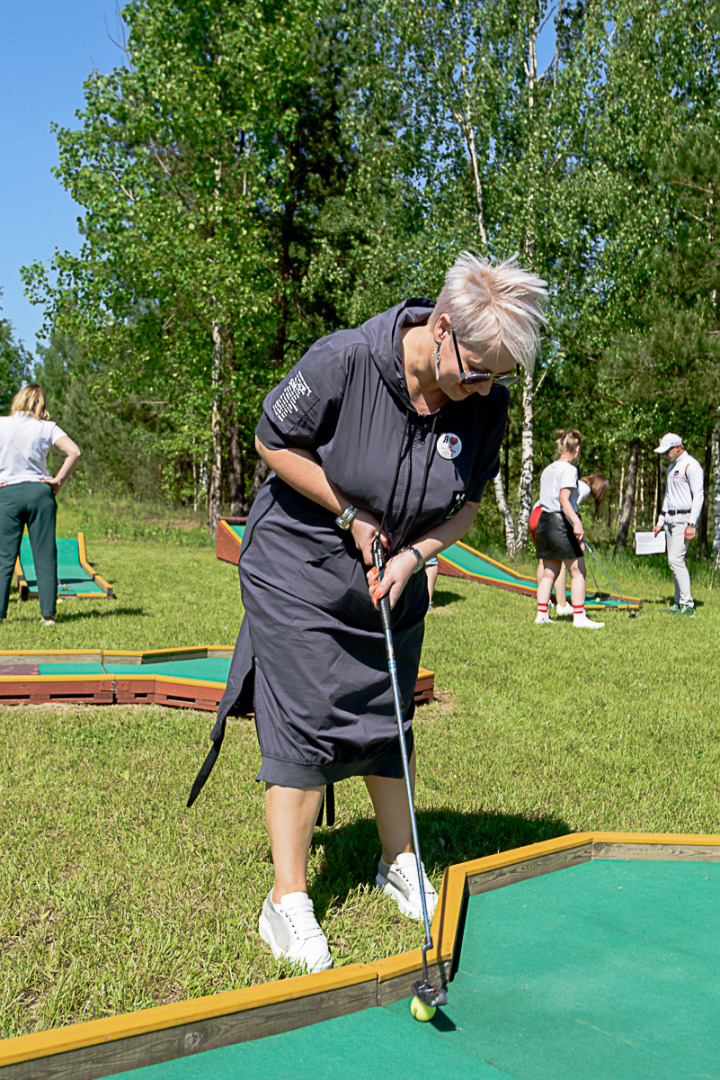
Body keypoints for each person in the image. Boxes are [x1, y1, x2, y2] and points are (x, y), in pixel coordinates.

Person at [189, 252, 548, 972]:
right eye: (476, 369)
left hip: (391, 571)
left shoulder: (485, 404)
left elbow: (471, 501)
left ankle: (399, 861)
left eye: (499, 377)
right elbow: (271, 441)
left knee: (390, 715)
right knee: (304, 715)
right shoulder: (346, 360)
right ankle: (287, 901)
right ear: (440, 329)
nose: (483, 389)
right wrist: (349, 510)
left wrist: (417, 556)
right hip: (299, 561)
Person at [0, 385, 81, 626]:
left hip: (8, 494)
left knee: (4, 557)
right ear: (40, 404)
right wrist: (57, 481)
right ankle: (48, 616)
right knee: (44, 555)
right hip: (40, 493)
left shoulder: (1, 424)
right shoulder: (47, 427)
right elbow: (74, 451)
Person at [533, 430, 604, 629]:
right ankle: (579, 617)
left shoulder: (548, 469)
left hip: (544, 521)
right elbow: (563, 500)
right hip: (560, 522)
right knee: (578, 572)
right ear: (577, 449)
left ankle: (542, 614)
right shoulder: (570, 470)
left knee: (549, 572)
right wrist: (577, 521)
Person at [531, 473, 609, 615]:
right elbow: (568, 509)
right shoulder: (584, 489)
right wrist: (578, 538)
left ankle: (545, 600)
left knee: (545, 560)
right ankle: (561, 604)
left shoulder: (576, 483)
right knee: (559, 559)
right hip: (551, 517)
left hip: (537, 515)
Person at [652, 433, 704, 616]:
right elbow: (668, 496)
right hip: (670, 519)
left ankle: (687, 603)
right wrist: (660, 521)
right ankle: (678, 602)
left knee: (676, 560)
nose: (665, 455)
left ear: (678, 447)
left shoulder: (691, 465)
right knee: (672, 561)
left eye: (667, 452)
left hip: (684, 519)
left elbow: (698, 495)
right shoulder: (672, 467)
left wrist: (692, 523)